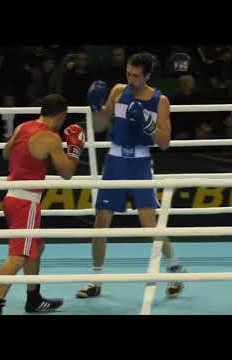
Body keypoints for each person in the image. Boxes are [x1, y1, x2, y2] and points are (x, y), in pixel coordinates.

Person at [77, 53, 186, 299]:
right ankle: (95, 279)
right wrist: (95, 107)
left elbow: (165, 142)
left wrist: (147, 124)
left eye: (136, 76)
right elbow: (100, 125)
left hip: (139, 161)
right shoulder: (117, 91)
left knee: (148, 221)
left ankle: (175, 269)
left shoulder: (160, 100)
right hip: (115, 160)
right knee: (101, 222)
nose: (131, 79)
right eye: (128, 73)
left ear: (147, 76)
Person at [0, 94, 85, 315]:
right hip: (26, 203)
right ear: (61, 115)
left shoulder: (23, 126)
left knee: (36, 247)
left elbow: (6, 152)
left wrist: (28, 161)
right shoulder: (50, 137)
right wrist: (75, 148)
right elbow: (67, 173)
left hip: (12, 198)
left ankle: (34, 298)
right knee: (17, 257)